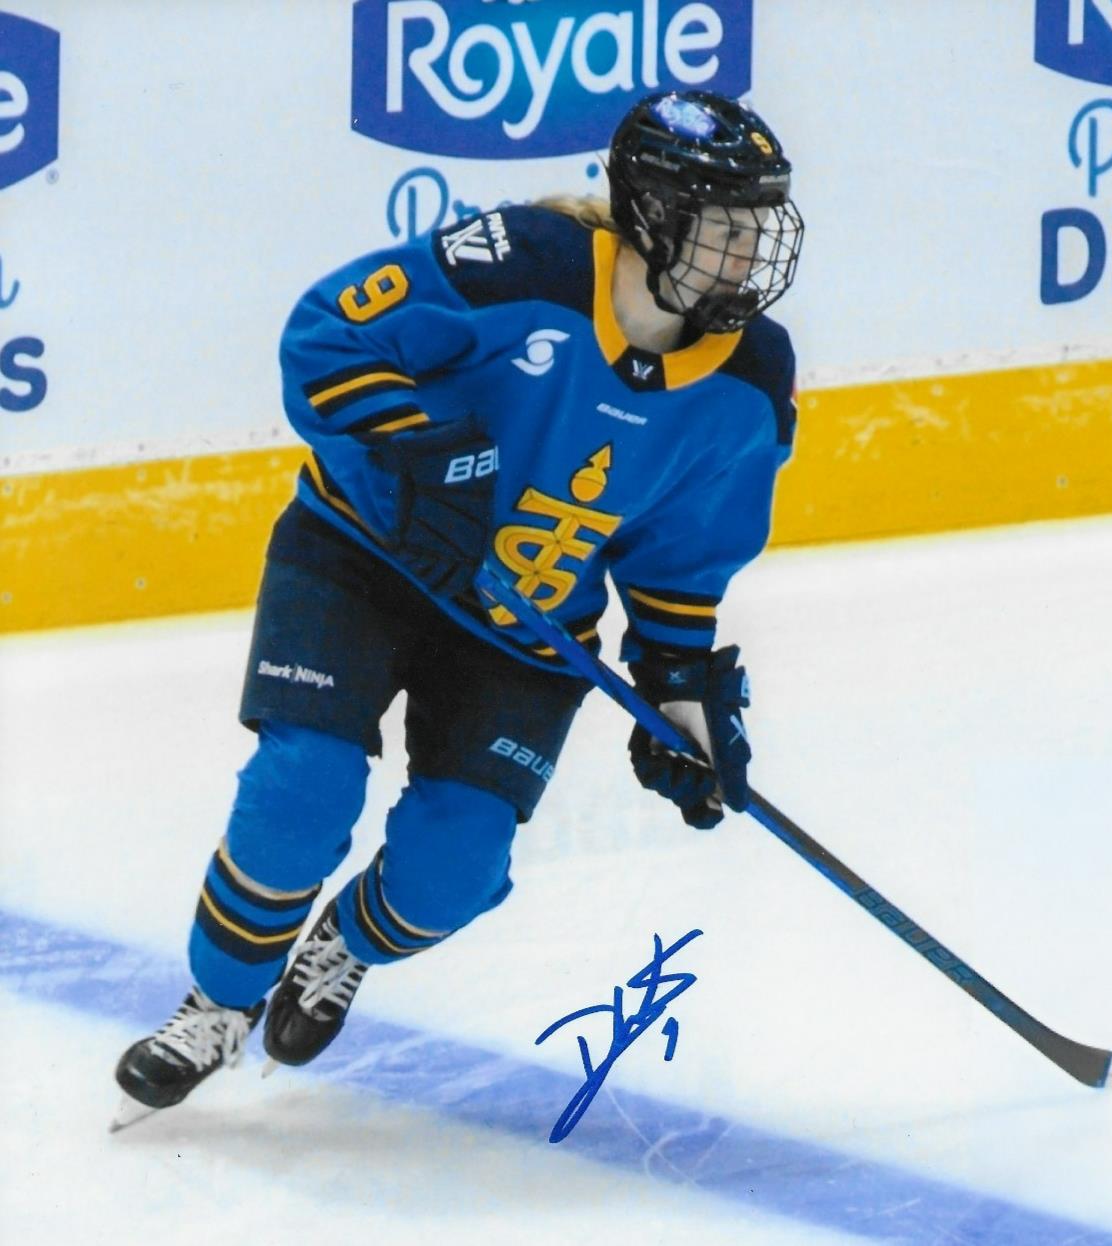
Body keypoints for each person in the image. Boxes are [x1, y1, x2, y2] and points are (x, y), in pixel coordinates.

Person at [111, 89, 803, 1128]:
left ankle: (344, 945)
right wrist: (421, 450)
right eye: (725, 229)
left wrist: (679, 696)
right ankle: (218, 1001)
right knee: (303, 790)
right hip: (364, 555)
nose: (750, 257)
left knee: (451, 873)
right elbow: (328, 335)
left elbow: (682, 556)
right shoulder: (519, 265)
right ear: (654, 218)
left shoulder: (749, 378)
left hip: (524, 632)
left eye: (760, 228)